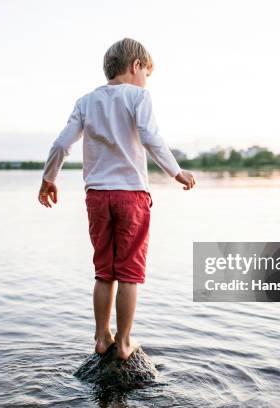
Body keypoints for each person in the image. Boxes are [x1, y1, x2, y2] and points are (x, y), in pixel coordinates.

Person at [37, 38, 196, 360]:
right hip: (131, 196)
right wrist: (177, 173)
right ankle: (123, 342)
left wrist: (48, 179)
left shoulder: (85, 101)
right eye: (147, 73)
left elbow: (60, 145)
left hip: (96, 196)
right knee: (129, 272)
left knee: (103, 271)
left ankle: (101, 337)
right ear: (136, 66)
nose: (146, 80)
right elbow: (151, 138)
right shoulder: (139, 96)